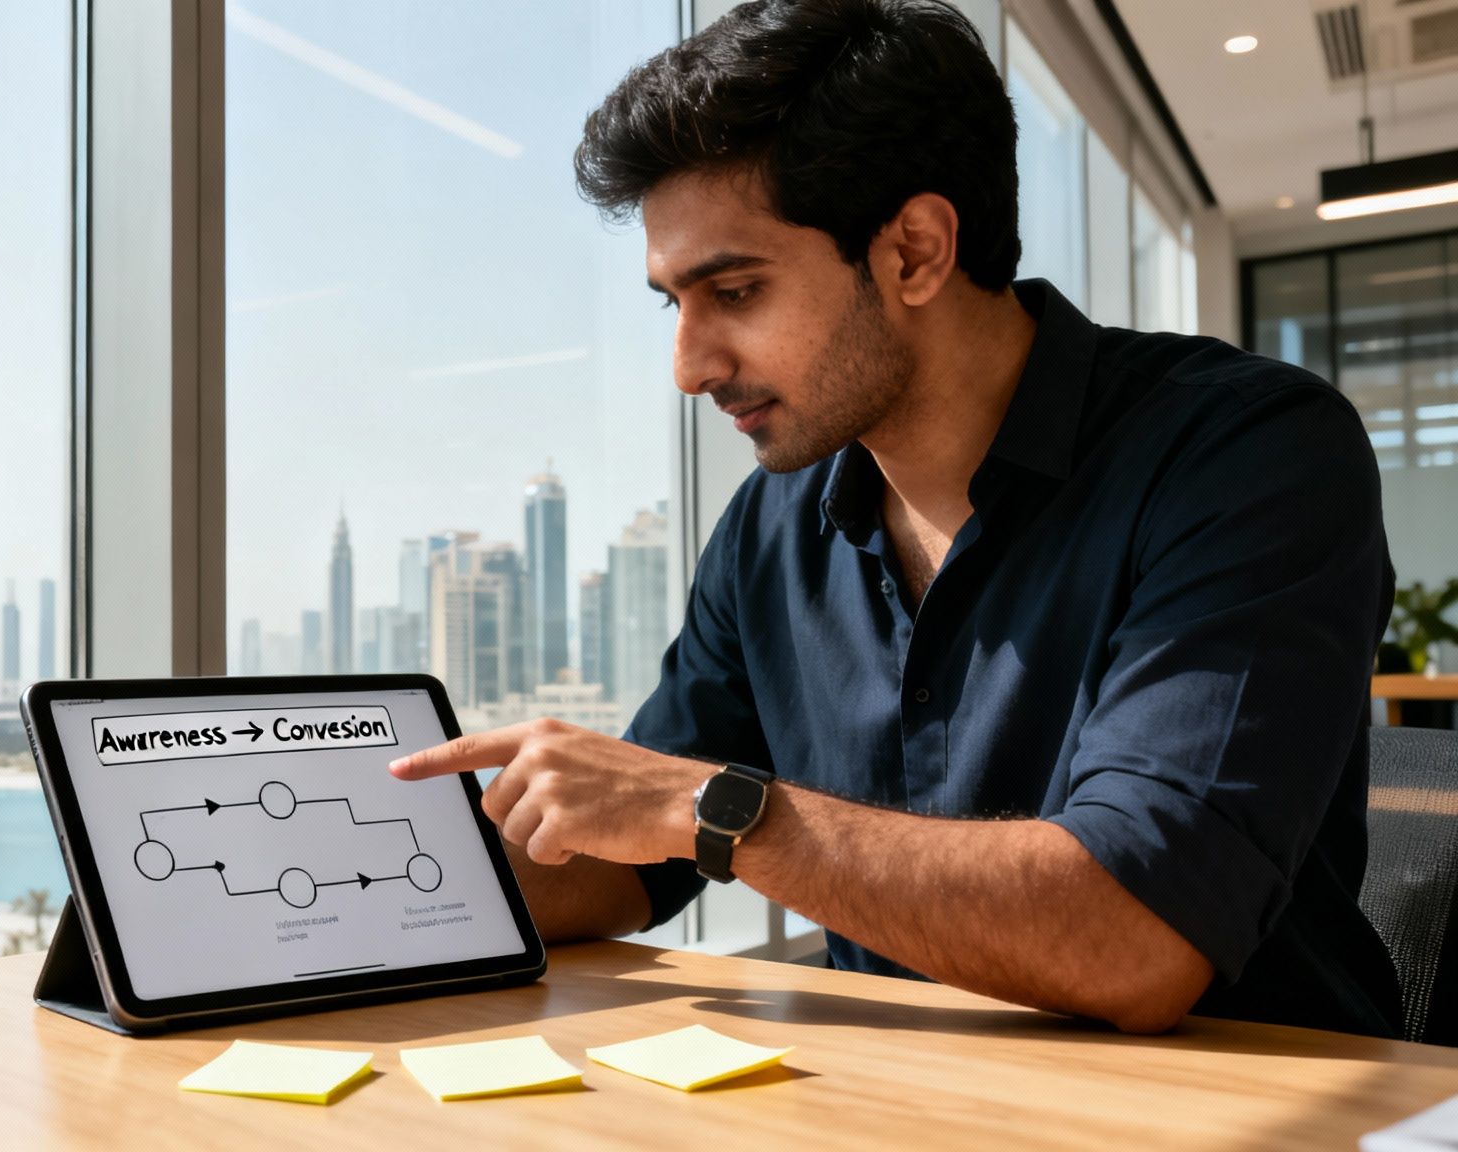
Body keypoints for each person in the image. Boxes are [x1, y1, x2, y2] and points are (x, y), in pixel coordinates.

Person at [389, 0, 1401, 1038]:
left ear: (914, 251)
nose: (689, 367)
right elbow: (630, 869)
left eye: (733, 290)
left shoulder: (1245, 454)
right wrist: (384, 879)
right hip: (899, 1106)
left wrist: (707, 809)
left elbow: (1137, 930)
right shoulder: (768, 527)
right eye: (672, 306)